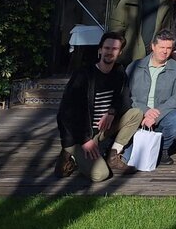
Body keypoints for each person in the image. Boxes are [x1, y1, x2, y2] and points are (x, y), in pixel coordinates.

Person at [55, 31, 141, 181]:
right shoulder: (83, 75)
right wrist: (84, 140)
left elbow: (124, 99)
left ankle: (113, 155)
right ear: (100, 50)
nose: (110, 52)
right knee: (100, 175)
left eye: (114, 49)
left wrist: (112, 111)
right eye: (107, 48)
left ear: (120, 52)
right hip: (79, 136)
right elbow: (66, 113)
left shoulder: (119, 72)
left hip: (101, 130)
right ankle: (70, 156)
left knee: (136, 113)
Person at [125, 30, 176, 166]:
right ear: (153, 46)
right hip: (137, 115)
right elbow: (126, 95)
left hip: (162, 114)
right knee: (128, 160)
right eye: (161, 47)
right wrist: (145, 111)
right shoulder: (135, 67)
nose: (165, 51)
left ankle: (163, 148)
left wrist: (156, 114)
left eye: (168, 48)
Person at [109, 0, 173, 65]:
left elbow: (167, 29)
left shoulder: (167, 4)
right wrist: (119, 47)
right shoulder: (128, 1)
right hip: (130, 52)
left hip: (154, 53)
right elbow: (116, 27)